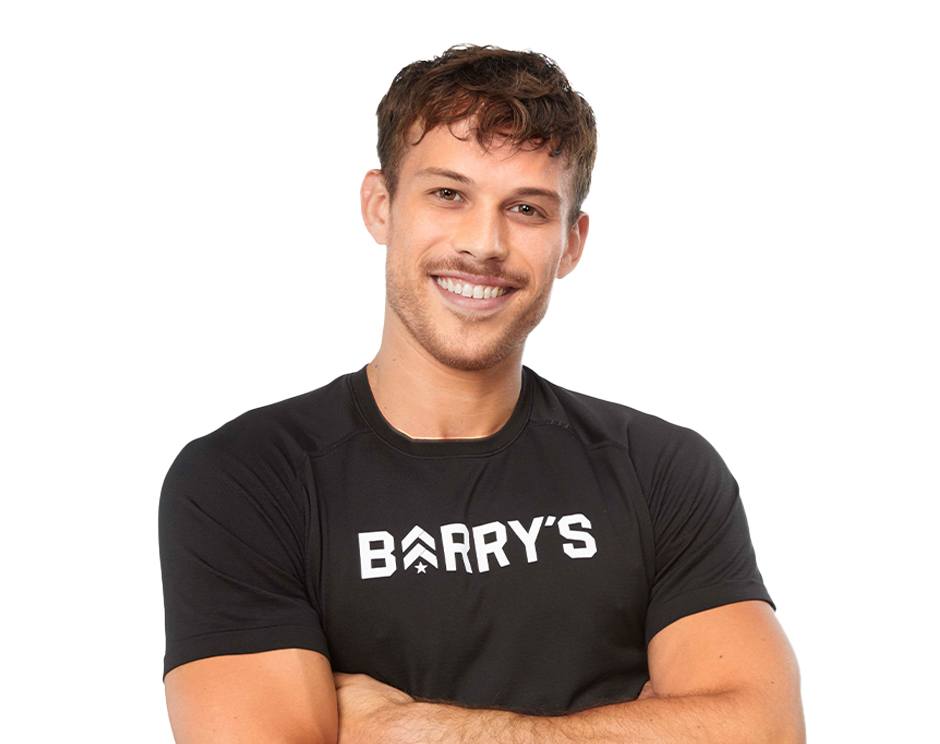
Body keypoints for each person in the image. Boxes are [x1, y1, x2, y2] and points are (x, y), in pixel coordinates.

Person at [159, 43, 805, 743]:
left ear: (572, 242)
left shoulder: (660, 470)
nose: (484, 243)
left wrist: (408, 728)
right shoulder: (247, 479)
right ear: (381, 206)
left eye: (526, 208)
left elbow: (764, 730)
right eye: (448, 194)